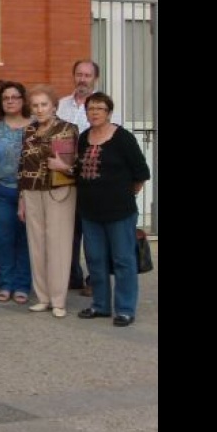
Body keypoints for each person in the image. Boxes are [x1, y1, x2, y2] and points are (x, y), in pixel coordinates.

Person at [66, 92, 150, 327]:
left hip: (119, 212)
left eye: (99, 109)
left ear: (109, 112)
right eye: (91, 109)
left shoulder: (123, 138)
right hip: (90, 212)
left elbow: (141, 173)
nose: (94, 112)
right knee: (95, 259)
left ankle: (124, 309)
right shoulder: (83, 138)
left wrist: (128, 193)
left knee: (123, 260)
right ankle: (100, 305)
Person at [19, 86, 80, 318]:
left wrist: (64, 167)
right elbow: (22, 165)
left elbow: (74, 164)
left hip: (59, 189)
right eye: (35, 105)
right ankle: (42, 297)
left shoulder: (67, 129)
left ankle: (58, 300)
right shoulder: (28, 130)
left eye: (44, 104)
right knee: (37, 244)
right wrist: (21, 197)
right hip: (32, 191)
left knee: (59, 244)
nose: (40, 109)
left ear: (53, 106)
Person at [0, 81, 33, 305]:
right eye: (6, 98)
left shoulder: (35, 127)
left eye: (15, 97)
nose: (10, 101)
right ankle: (5, 283)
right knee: (3, 239)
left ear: (23, 100)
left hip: (30, 192)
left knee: (25, 239)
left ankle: (22, 284)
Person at [58, 59, 101, 295]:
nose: (82, 79)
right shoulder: (62, 104)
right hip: (64, 176)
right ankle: (72, 275)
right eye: (79, 74)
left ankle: (94, 279)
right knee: (70, 231)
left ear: (95, 78)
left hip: (91, 177)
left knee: (92, 233)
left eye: (87, 75)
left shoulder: (101, 105)